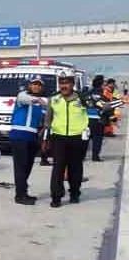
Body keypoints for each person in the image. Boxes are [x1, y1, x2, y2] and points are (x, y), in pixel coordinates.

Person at [44, 73, 88, 207]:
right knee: (58, 168)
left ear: (72, 85)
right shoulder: (54, 98)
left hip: (77, 137)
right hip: (58, 137)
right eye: (61, 84)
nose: (64, 86)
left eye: (67, 83)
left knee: (75, 167)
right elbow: (48, 119)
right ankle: (56, 197)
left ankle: (74, 193)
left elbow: (94, 111)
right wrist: (46, 138)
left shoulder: (81, 98)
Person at [9, 76, 48, 204]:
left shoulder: (42, 103)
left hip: (32, 137)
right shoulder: (22, 96)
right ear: (29, 85)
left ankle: (23, 191)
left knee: (28, 166)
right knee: (20, 167)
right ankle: (19, 196)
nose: (36, 87)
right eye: (34, 84)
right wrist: (44, 102)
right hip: (19, 136)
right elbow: (29, 100)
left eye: (39, 85)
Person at [83, 75, 106, 162]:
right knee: (97, 139)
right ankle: (95, 156)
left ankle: (82, 156)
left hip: (87, 120)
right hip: (98, 120)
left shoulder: (87, 94)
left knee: (85, 138)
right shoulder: (103, 96)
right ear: (101, 84)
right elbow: (107, 108)